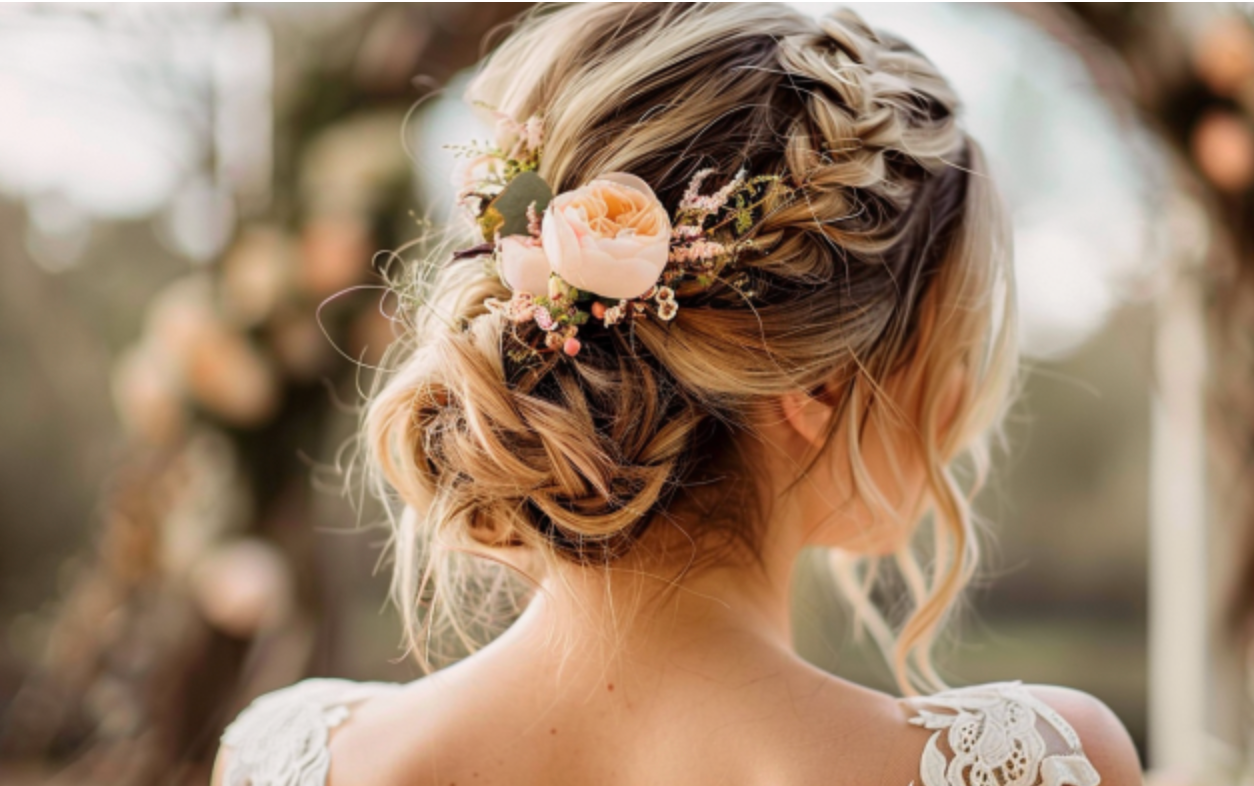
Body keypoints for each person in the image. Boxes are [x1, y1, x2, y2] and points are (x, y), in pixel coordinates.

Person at [211, 4, 1142, 785]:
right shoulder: (1039, 766)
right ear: (820, 380)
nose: (964, 406)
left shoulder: (288, 759)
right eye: (955, 346)